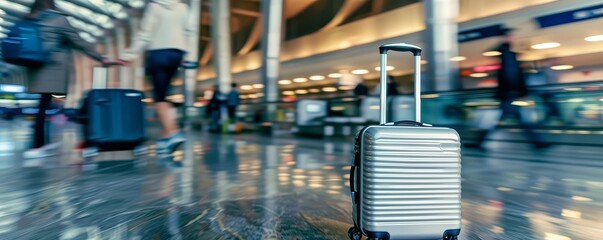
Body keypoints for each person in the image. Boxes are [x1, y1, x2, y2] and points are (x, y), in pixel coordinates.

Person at [21, 0, 121, 159]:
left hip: (35, 69)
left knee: (43, 105)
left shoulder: (30, 19)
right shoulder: (58, 19)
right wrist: (102, 58)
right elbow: (79, 42)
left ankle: (39, 144)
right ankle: (40, 145)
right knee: (50, 105)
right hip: (54, 70)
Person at [120, 0, 194, 155]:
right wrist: (189, 55)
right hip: (176, 54)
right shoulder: (183, 7)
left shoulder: (154, 6)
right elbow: (189, 32)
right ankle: (167, 135)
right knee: (165, 94)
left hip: (158, 54)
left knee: (159, 97)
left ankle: (172, 132)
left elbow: (145, 35)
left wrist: (129, 54)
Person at [472, 31, 549, 149]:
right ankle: (537, 142)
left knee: (508, 120)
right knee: (520, 121)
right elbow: (513, 78)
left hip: (509, 95)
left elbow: (514, 78)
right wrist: (505, 41)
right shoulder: (509, 59)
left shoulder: (509, 60)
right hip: (510, 96)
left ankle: (479, 142)